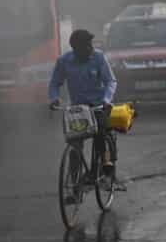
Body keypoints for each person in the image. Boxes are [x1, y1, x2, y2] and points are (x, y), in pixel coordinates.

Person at [48, 29, 118, 186]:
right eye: (86, 46)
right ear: (75, 48)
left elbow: (111, 81)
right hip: (78, 109)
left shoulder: (99, 57)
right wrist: (54, 98)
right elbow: (54, 83)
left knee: (101, 135)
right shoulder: (64, 61)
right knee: (74, 146)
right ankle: (75, 185)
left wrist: (107, 100)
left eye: (90, 45)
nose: (90, 49)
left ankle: (106, 171)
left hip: (99, 105)